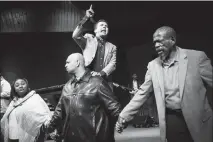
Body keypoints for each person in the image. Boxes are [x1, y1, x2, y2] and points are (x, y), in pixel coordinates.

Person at [116, 26, 213, 142]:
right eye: (154, 42)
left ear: (172, 40)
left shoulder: (197, 58)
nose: (156, 45)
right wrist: (124, 115)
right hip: (172, 121)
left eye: (159, 41)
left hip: (199, 119)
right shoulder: (153, 66)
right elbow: (142, 93)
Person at [45, 53, 121, 142]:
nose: (65, 65)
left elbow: (114, 108)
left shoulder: (97, 83)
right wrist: (49, 127)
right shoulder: (67, 87)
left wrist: (121, 122)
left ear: (77, 63)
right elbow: (59, 111)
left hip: (95, 138)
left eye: (68, 62)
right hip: (71, 138)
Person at [72, 5, 117, 91]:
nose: (104, 27)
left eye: (106, 26)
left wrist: (101, 74)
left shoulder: (112, 47)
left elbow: (113, 64)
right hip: (87, 81)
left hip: (105, 82)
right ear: (95, 30)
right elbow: (75, 35)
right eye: (102, 25)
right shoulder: (88, 39)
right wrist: (86, 17)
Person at [0, 74, 11, 142]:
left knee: (3, 129)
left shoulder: (4, 83)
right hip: (2, 110)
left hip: (3, 110)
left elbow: (7, 93)